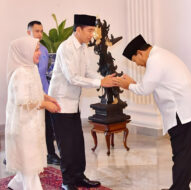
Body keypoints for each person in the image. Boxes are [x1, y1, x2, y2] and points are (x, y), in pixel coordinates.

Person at [115, 34, 191, 190]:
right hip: (189, 109)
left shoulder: (155, 60)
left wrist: (127, 85)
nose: (138, 65)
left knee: (183, 154)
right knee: (183, 154)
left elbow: (144, 89)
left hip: (185, 112)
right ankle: (180, 187)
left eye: (135, 61)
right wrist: (133, 84)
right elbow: (152, 84)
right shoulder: (159, 54)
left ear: (140, 53)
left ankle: (179, 188)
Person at [48, 14, 116, 190]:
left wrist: (103, 78)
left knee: (77, 143)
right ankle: (67, 182)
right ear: (78, 29)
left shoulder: (83, 47)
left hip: (73, 103)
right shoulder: (66, 48)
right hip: (60, 104)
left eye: (93, 30)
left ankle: (79, 177)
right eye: (90, 30)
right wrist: (100, 83)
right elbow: (72, 78)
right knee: (67, 146)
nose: (92, 34)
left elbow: (87, 72)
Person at [5, 36, 61, 190]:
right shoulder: (20, 73)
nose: (40, 53)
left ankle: (15, 185)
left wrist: (47, 97)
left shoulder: (31, 68)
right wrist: (46, 105)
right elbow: (24, 100)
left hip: (32, 124)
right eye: (36, 50)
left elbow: (35, 92)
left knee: (28, 162)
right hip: (23, 127)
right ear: (24, 52)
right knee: (30, 166)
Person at [27, 20, 61, 165]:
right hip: (29, 95)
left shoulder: (45, 50)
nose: (40, 34)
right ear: (29, 32)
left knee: (48, 125)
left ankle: (51, 154)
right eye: (37, 31)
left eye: (41, 31)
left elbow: (45, 73)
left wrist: (49, 93)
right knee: (29, 126)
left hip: (44, 92)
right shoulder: (24, 50)